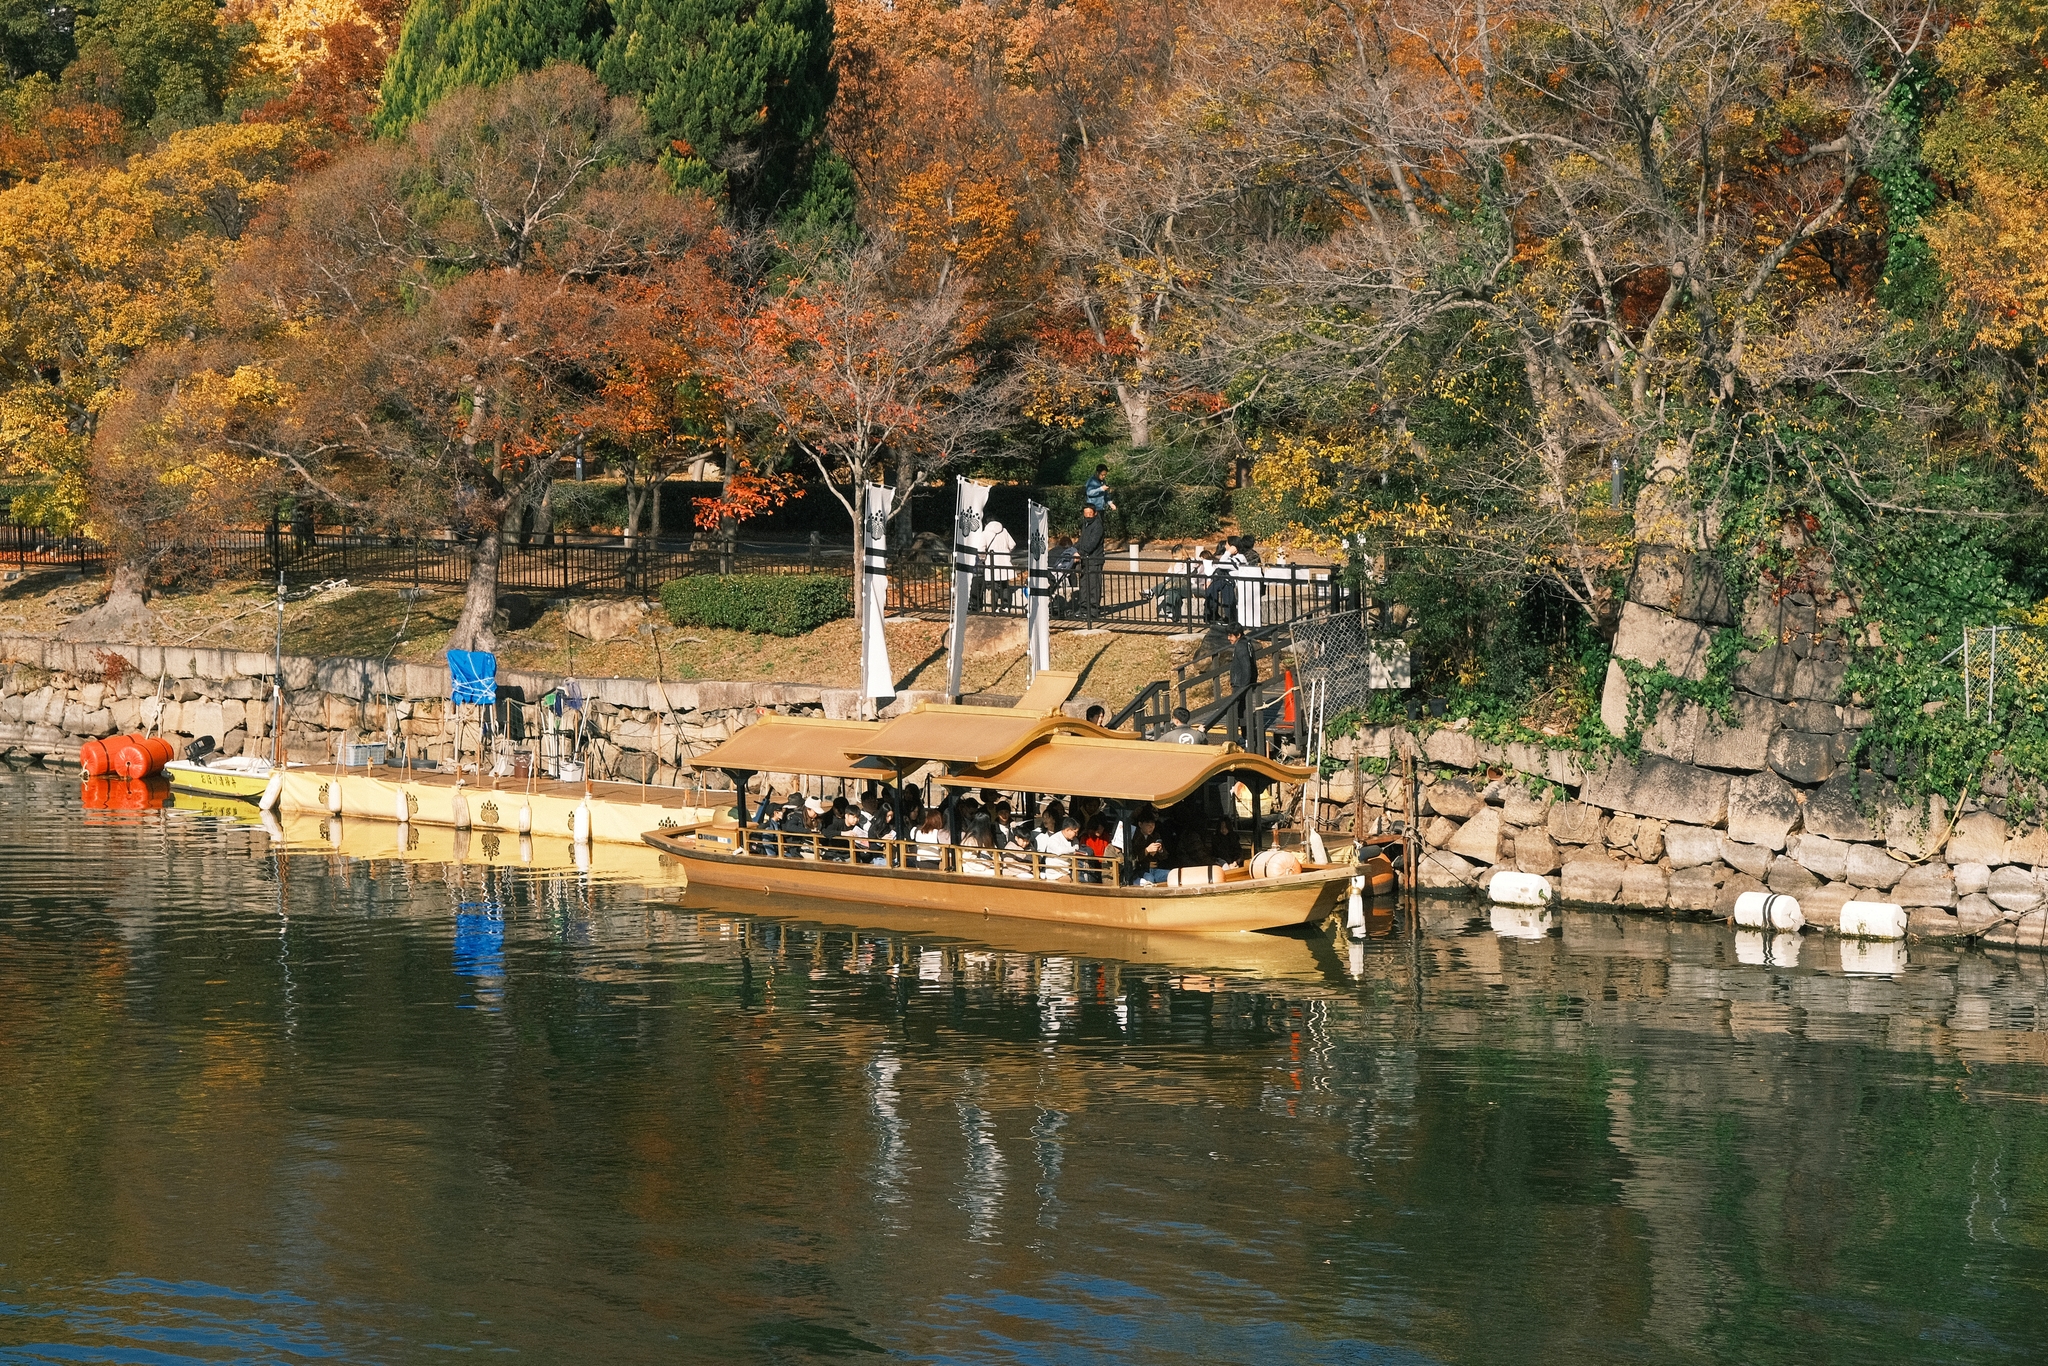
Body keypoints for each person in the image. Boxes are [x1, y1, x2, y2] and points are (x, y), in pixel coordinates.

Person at [1226, 625, 1258, 747]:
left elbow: (1247, 666)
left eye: (1231, 635)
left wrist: (1244, 686)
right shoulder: (1247, 643)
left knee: (1239, 712)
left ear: (1238, 635)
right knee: (1243, 711)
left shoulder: (1241, 647)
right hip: (1244, 684)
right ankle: (1246, 737)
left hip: (1241, 685)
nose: (1229, 638)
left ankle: (1244, 737)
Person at [1077, 505, 1106, 617]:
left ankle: (1093, 610)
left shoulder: (1098, 526)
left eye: (1090, 513)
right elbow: (1083, 540)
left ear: (1095, 513)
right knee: (1084, 585)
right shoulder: (1085, 525)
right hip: (1085, 560)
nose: (1088, 516)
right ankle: (1084, 608)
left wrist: (1081, 552)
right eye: (1086, 513)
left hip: (1095, 559)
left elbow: (1092, 543)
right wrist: (1074, 548)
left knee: (1094, 585)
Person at [1128, 810, 1171, 884]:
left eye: (1153, 825)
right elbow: (1133, 858)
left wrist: (1160, 850)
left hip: (1155, 870)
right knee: (1149, 879)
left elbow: (1164, 856)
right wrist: (1147, 850)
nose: (1151, 828)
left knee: (1172, 874)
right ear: (1140, 824)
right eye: (1148, 825)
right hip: (1141, 870)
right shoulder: (1134, 838)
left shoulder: (1155, 836)